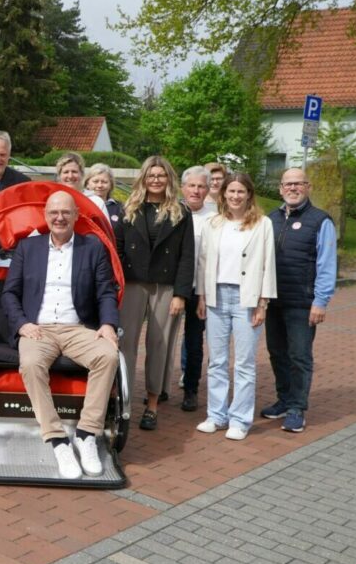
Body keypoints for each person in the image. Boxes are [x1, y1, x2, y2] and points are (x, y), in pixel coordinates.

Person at [1, 191, 120, 480]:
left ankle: (86, 434)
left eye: (66, 212)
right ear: (45, 215)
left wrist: (107, 324)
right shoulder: (28, 248)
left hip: (77, 327)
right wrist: (21, 324)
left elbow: (106, 292)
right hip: (38, 328)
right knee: (29, 364)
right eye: (54, 212)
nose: (59, 217)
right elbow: (9, 294)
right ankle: (57, 439)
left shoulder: (92, 249)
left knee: (108, 355)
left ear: (76, 216)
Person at [195, 173, 276, 441]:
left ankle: (240, 419)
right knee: (217, 361)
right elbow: (203, 262)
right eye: (231, 191)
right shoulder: (213, 223)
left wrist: (263, 302)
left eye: (241, 191)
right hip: (216, 297)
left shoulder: (262, 224)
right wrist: (202, 296)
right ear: (224, 194)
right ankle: (217, 415)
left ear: (249, 194)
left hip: (247, 299)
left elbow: (268, 266)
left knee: (244, 363)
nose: (235, 196)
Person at [115, 156, 194, 431]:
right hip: (133, 284)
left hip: (165, 286)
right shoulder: (130, 208)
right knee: (125, 344)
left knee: (158, 344)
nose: (156, 180)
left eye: (161, 175)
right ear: (144, 178)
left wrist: (180, 295)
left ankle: (152, 403)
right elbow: (119, 250)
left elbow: (187, 257)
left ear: (168, 179)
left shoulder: (181, 213)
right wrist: (117, 287)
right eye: (151, 175)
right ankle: (121, 397)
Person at [262, 168, 337, 433]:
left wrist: (321, 301)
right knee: (277, 352)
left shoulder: (320, 221)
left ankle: (296, 408)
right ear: (280, 188)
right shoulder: (269, 219)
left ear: (308, 187)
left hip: (302, 302)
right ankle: (283, 400)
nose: (293, 188)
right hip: (273, 301)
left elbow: (327, 263)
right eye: (288, 184)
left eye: (298, 184)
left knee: (299, 356)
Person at [177, 166, 217, 412]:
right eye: (192, 185)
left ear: (208, 189)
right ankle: (159, 388)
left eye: (201, 186)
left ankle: (191, 389)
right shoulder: (173, 213)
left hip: (198, 290)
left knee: (194, 342)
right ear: (183, 188)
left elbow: (210, 260)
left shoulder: (214, 219)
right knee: (162, 340)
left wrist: (203, 293)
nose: (196, 190)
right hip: (172, 288)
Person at [56, 152, 108, 220]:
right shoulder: (52, 200)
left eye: (74, 172)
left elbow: (105, 229)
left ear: (82, 174)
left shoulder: (96, 202)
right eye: (66, 172)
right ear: (59, 176)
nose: (70, 176)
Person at [84, 163, 122, 238]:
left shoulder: (120, 208)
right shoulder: (81, 205)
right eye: (95, 181)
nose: (100, 185)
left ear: (111, 185)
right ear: (87, 184)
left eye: (104, 182)